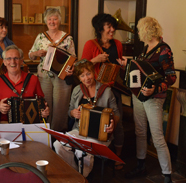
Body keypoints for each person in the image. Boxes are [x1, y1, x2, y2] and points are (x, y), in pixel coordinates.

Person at [117, 17, 176, 183]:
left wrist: (155, 89)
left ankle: (167, 176)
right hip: (139, 97)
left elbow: (171, 78)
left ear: (147, 30)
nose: (137, 33)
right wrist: (126, 64)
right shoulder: (146, 48)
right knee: (140, 132)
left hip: (154, 98)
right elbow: (141, 70)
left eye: (139, 30)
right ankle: (141, 165)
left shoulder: (164, 50)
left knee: (157, 137)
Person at [53, 60, 120, 177]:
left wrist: (112, 125)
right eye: (82, 75)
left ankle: (82, 176)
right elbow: (69, 111)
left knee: (82, 150)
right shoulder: (77, 90)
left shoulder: (106, 91)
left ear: (94, 73)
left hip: (100, 134)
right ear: (79, 78)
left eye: (88, 73)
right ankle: (76, 173)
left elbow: (116, 113)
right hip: (79, 130)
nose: (86, 78)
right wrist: (73, 113)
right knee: (58, 145)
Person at [81, 13, 124, 169]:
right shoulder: (90, 45)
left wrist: (124, 65)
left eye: (113, 27)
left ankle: (117, 157)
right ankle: (93, 155)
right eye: (108, 27)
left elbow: (118, 67)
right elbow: (82, 67)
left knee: (117, 122)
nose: (112, 30)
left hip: (114, 89)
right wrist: (95, 60)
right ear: (100, 29)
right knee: (96, 121)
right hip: (96, 90)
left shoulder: (118, 44)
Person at [28, 8, 76, 133]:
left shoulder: (67, 38)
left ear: (59, 21)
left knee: (61, 106)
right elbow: (30, 55)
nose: (52, 21)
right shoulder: (40, 37)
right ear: (46, 21)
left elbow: (73, 58)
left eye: (55, 19)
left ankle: (58, 135)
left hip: (62, 77)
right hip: (44, 76)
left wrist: (71, 69)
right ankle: (44, 133)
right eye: (49, 19)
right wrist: (37, 53)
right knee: (45, 105)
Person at [0, 45, 49, 137]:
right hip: (6, 123)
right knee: (1, 148)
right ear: (4, 62)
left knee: (41, 148)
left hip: (31, 124)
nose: (12, 62)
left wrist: (45, 110)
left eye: (16, 58)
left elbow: (43, 103)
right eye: (9, 59)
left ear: (21, 61)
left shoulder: (33, 79)